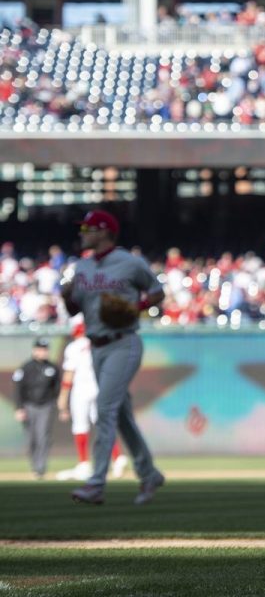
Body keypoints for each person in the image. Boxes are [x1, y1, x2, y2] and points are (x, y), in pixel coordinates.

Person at [61, 210, 166, 505]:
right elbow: (73, 309)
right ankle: (149, 474)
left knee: (104, 408)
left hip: (124, 342)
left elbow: (158, 292)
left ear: (104, 231)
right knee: (121, 417)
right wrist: (66, 295)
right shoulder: (81, 266)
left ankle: (96, 483)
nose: (82, 232)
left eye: (87, 228)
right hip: (96, 345)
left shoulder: (130, 263)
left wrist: (138, 306)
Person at [55, 316, 129, 481]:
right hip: (99, 387)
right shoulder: (101, 344)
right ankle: (118, 457)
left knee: (80, 425)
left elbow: (69, 373)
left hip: (81, 388)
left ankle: (83, 463)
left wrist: (62, 396)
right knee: (103, 424)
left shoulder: (74, 347)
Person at [12, 337, 61, 480]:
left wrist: (58, 405)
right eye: (40, 349)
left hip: (46, 406)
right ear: (35, 350)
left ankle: (41, 468)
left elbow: (56, 388)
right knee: (31, 438)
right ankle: (34, 465)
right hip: (29, 405)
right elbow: (18, 388)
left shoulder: (52, 368)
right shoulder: (26, 367)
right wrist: (19, 408)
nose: (43, 352)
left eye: (45, 349)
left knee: (43, 436)